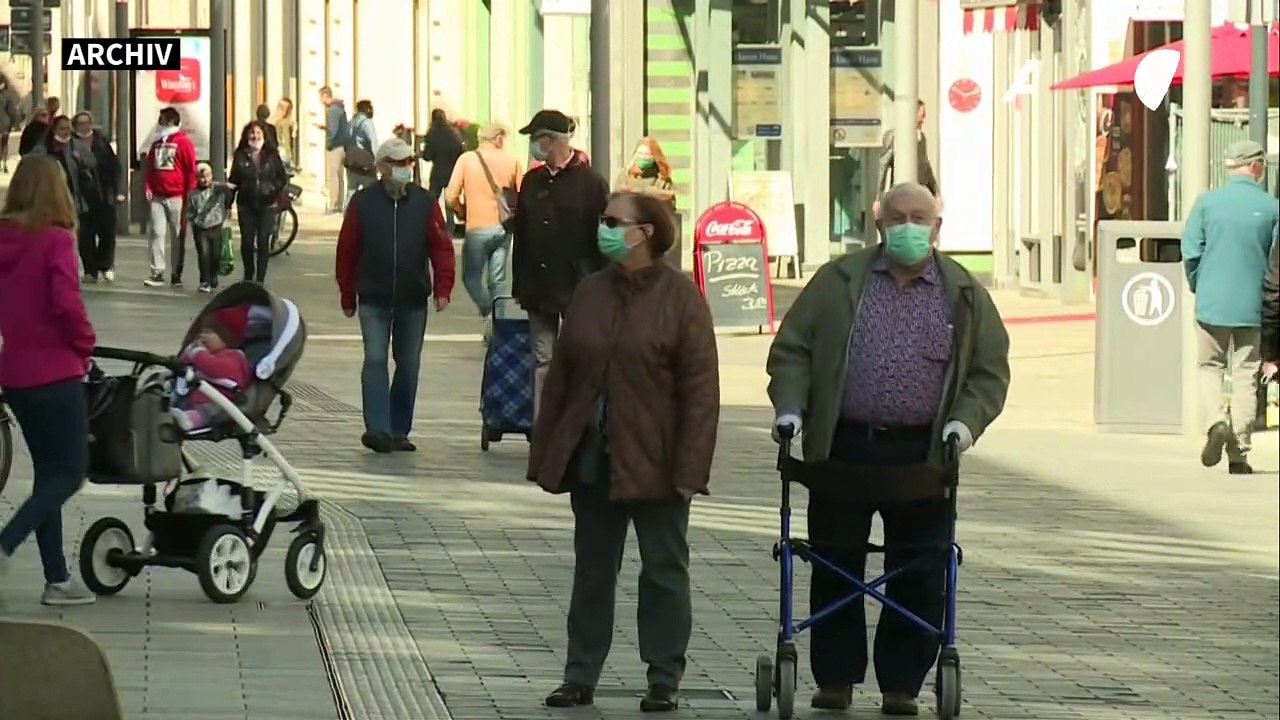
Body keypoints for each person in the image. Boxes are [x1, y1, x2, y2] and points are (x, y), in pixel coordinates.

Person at [766, 182, 1010, 715]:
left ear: (937, 226)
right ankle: (835, 679)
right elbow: (793, 349)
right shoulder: (838, 281)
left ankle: (902, 684)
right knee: (835, 562)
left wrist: (964, 424)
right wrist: (791, 406)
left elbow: (987, 373)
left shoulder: (964, 293)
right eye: (897, 217)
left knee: (919, 568)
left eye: (919, 218)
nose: (907, 227)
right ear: (878, 223)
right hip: (844, 445)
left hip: (922, 454)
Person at [528, 191, 719, 713]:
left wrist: (691, 468)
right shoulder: (590, 291)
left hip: (658, 462)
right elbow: (562, 378)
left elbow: (701, 393)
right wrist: (547, 451)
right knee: (592, 570)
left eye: (614, 221)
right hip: (594, 456)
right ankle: (579, 674)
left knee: (663, 571)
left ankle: (663, 678)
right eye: (603, 220)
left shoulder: (681, 299)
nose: (604, 229)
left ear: (646, 233)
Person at [0, 155, 98, 606]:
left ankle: (57, 579)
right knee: (71, 473)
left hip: (15, 374)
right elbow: (65, 303)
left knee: (47, 475)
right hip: (57, 371)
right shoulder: (56, 239)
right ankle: (6, 543)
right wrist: (85, 343)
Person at [335, 137, 456, 454]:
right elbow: (347, 250)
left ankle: (399, 429)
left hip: (412, 297)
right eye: (399, 162)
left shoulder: (424, 203)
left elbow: (441, 247)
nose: (406, 167)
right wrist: (347, 294)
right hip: (373, 297)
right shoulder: (363, 203)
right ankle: (378, 429)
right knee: (375, 360)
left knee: (409, 364)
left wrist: (443, 288)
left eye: (408, 162)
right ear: (382, 167)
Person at [1181, 140, 1278, 476]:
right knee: (1246, 373)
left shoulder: (1206, 204)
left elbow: (1191, 251)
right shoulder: (1272, 209)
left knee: (1209, 366)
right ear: (1256, 168)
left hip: (1212, 303)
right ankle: (1239, 454)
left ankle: (1216, 421)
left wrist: (1199, 283)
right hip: (1254, 305)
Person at [512, 109, 610, 418]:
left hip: (578, 287)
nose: (533, 144)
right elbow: (522, 235)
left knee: (582, 358)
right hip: (538, 287)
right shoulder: (532, 181)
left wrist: (601, 283)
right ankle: (545, 427)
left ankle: (581, 424)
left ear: (553, 140)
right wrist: (519, 282)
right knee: (543, 360)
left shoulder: (590, 183)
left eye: (536, 138)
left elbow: (603, 237)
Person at [444, 122, 522, 340]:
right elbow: (522, 192)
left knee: (471, 278)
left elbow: (450, 197)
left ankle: (488, 311)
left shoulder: (467, 160)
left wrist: (462, 211)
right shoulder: (512, 161)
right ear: (498, 138)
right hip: (503, 227)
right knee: (497, 280)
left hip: (477, 227)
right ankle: (498, 325)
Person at [63, 112, 123, 284]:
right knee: (86, 235)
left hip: (104, 194)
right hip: (83, 197)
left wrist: (118, 190)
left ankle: (106, 265)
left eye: (86, 123)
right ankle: (90, 269)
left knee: (108, 233)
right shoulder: (70, 144)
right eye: (80, 123)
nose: (84, 127)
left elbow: (114, 167)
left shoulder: (101, 142)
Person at [141, 107, 197, 288]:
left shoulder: (183, 142)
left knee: (177, 235)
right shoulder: (156, 144)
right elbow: (150, 168)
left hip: (177, 196)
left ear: (171, 122)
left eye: (162, 119)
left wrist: (190, 194)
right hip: (157, 196)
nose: (159, 122)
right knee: (157, 233)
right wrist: (148, 186)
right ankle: (157, 272)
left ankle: (176, 273)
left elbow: (190, 170)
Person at [170, 312, 252, 432]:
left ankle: (188, 420)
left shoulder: (233, 357)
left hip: (218, 402)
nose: (202, 336)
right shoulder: (208, 354)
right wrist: (188, 353)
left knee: (207, 412)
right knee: (172, 384)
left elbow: (212, 368)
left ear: (226, 338)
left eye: (208, 332)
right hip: (194, 397)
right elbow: (183, 364)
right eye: (201, 332)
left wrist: (198, 353)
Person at [228, 121, 288, 285]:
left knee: (263, 241)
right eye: (252, 133)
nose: (255, 136)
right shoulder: (240, 155)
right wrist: (228, 204)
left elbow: (282, 177)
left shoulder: (272, 155)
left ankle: (260, 279)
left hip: (267, 204)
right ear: (247, 135)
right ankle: (249, 275)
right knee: (247, 242)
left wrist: (273, 189)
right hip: (246, 204)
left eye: (258, 133)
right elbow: (233, 180)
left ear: (264, 136)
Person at [875, 100, 940, 216]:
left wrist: (936, 193)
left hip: (918, 194)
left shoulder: (921, 137)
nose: (923, 120)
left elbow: (926, 166)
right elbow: (882, 167)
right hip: (900, 194)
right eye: (922, 115)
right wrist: (878, 198)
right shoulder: (894, 136)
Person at [187, 162, 234, 293]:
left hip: (216, 225)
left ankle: (213, 274)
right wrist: (193, 220)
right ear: (197, 178)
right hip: (200, 228)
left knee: (216, 254)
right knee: (204, 254)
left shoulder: (217, 189)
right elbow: (190, 209)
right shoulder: (193, 193)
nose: (205, 180)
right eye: (201, 177)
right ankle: (204, 280)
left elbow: (229, 191)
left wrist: (228, 206)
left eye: (207, 176)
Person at [423, 108, 465, 231]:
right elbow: (461, 151)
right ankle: (450, 228)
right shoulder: (454, 133)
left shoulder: (432, 134)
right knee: (449, 200)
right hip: (452, 172)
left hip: (437, 172)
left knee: (432, 201)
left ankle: (430, 225)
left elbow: (427, 156)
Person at [614, 137, 676, 210]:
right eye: (639, 153)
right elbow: (616, 199)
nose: (642, 157)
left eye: (646, 154)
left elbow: (670, 204)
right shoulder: (625, 175)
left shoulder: (662, 178)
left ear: (654, 157)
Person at [320, 85, 349, 213]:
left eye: (321, 97)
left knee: (333, 176)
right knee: (339, 175)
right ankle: (340, 203)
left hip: (335, 146)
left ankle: (333, 204)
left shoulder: (332, 109)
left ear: (325, 96)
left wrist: (329, 143)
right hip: (343, 146)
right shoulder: (340, 108)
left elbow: (333, 130)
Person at [345, 99, 378, 199]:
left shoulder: (351, 122)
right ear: (367, 109)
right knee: (372, 192)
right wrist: (378, 161)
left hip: (352, 163)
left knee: (351, 192)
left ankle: (348, 208)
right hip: (366, 165)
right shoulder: (367, 123)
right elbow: (374, 143)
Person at [0, 77, 21, 173]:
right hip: (4, 123)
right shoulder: (7, 95)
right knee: (4, 144)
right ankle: (3, 163)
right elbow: (12, 111)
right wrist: (14, 123)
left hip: (4, 122)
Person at [269, 97, 296, 166]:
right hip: (278, 153)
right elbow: (286, 141)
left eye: (282, 108)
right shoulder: (282, 122)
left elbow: (286, 141)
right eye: (279, 106)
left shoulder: (273, 121)